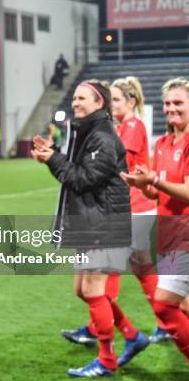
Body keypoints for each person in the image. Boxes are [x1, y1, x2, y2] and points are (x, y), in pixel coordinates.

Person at [31, 79, 131, 377]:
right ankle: (131, 334)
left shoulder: (102, 136)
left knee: (92, 290)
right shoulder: (86, 133)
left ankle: (107, 360)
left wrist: (53, 159)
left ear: (99, 103)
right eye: (74, 98)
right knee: (82, 290)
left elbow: (84, 179)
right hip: (91, 222)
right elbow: (76, 175)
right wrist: (52, 157)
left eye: (82, 98)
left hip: (104, 224)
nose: (75, 102)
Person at [60, 76, 162, 366]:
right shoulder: (113, 129)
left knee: (107, 281)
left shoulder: (127, 129)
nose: (113, 105)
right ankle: (126, 329)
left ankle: (116, 335)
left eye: (118, 100)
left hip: (132, 209)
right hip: (118, 210)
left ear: (130, 102)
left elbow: (103, 170)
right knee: (112, 279)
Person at [121, 77, 189, 362]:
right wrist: (142, 185)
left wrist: (155, 184)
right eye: (167, 103)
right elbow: (156, 190)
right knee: (183, 306)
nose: (171, 108)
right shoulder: (162, 143)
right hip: (168, 234)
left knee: (163, 305)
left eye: (178, 103)